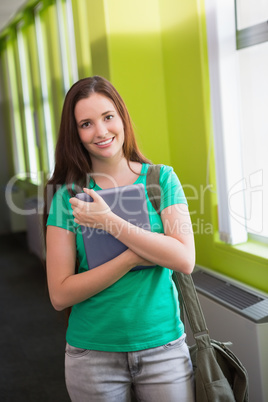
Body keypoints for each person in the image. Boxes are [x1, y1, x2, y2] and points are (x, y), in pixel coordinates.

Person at [44, 75, 196, 402]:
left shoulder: (161, 179)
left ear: (122, 118)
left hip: (163, 348)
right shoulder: (68, 198)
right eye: (86, 123)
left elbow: (184, 259)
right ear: (76, 134)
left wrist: (109, 221)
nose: (101, 131)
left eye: (108, 117)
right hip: (92, 355)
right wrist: (133, 257)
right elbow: (60, 294)